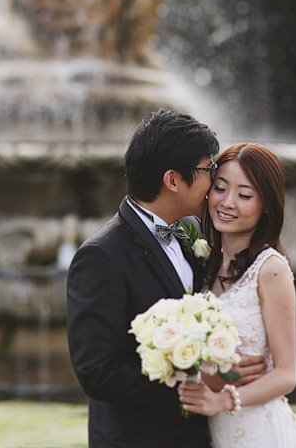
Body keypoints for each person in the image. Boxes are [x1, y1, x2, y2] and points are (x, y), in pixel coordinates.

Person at [67, 108, 226, 447]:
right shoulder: (101, 255)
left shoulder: (190, 232)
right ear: (172, 180)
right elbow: (97, 371)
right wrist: (186, 393)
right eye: (207, 169)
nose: (215, 179)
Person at [178, 142, 296, 447]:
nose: (228, 202)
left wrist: (223, 400)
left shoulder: (271, 269)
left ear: (267, 206)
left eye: (245, 195)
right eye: (220, 188)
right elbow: (214, 368)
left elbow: (287, 375)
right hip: (216, 431)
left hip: (261, 432)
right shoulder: (204, 265)